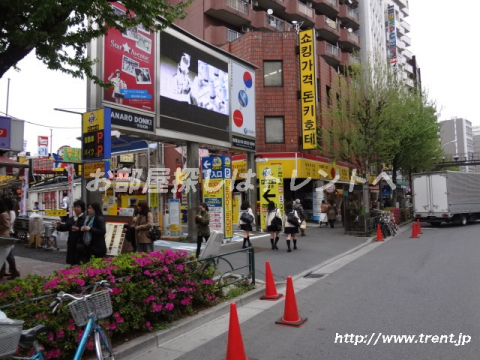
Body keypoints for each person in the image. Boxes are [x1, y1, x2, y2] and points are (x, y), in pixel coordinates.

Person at [56, 200, 86, 265]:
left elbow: (88, 230)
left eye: (78, 207)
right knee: (72, 262)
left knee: (80, 262)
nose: (76, 209)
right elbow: (66, 227)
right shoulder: (71, 218)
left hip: (81, 243)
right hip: (71, 243)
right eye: (75, 207)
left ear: (82, 208)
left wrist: (79, 229)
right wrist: (59, 226)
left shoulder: (85, 218)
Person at [0, 199, 19, 280]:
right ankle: (5, 271)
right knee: (5, 255)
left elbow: (6, 225)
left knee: (7, 255)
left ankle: (13, 271)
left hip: (4, 237)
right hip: (3, 236)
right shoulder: (3, 213)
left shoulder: (3, 214)